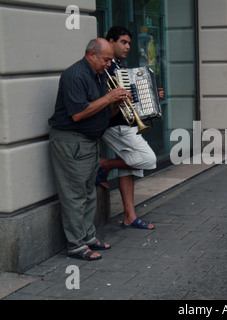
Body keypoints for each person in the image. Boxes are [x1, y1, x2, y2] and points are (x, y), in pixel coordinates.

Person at [48, 38, 131, 260]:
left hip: (89, 142)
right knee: (74, 196)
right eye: (105, 59)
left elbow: (103, 112)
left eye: (110, 60)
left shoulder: (100, 75)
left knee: (89, 193)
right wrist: (109, 97)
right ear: (91, 54)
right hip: (72, 141)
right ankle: (76, 245)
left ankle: (88, 237)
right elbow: (79, 113)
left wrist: (116, 104)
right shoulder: (74, 75)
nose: (108, 64)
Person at [97, 26, 164, 230]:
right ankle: (105, 164)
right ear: (111, 41)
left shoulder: (120, 66)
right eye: (123, 42)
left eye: (129, 43)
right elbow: (106, 102)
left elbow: (132, 99)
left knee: (130, 169)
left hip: (127, 124)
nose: (127, 47)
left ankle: (129, 216)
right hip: (115, 126)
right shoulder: (105, 68)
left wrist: (153, 95)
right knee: (147, 159)